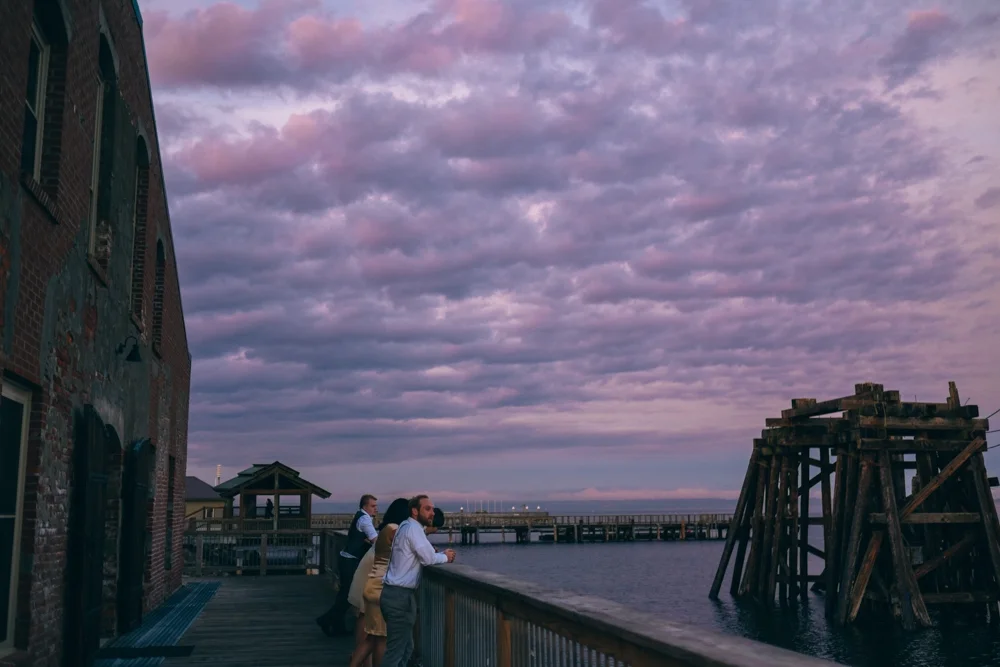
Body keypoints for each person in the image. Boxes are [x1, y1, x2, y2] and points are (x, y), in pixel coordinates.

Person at [380, 496, 455, 667]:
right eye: (427, 509)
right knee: (396, 652)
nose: (432, 513)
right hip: (399, 597)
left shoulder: (407, 526)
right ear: (415, 511)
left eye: (433, 509)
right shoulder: (413, 529)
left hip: (396, 595)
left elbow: (424, 551)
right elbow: (428, 558)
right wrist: (446, 556)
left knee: (406, 649)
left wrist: (436, 554)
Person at [348, 498, 411, 667]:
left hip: (368, 576)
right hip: (376, 580)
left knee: (370, 630)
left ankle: (358, 662)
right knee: (380, 635)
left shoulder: (387, 529)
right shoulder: (395, 530)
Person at [317, 494, 379, 636]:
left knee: (345, 594)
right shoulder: (364, 519)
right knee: (348, 595)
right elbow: (376, 540)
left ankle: (338, 626)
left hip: (347, 558)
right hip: (350, 561)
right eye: (373, 506)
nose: (376, 509)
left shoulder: (360, 516)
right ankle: (325, 620)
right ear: (365, 506)